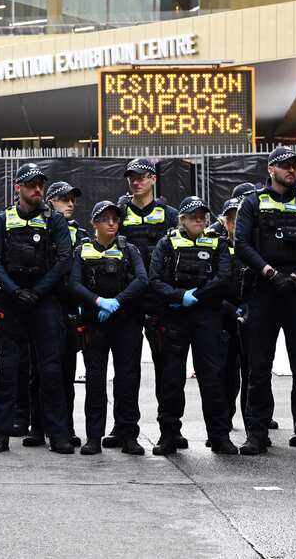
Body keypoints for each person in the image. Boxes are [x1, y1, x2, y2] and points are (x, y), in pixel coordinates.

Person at [234, 145, 296, 457]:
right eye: (286, 166)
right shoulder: (253, 202)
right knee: (258, 367)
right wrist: (270, 272)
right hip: (264, 291)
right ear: (271, 170)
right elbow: (241, 243)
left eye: (295, 166)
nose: (292, 171)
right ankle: (257, 433)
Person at [0, 162, 74, 454]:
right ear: (18, 188)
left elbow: (64, 259)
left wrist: (37, 291)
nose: (38, 190)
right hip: (12, 302)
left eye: (41, 185)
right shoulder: (2, 220)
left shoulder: (55, 221)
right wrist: (14, 291)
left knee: (51, 368)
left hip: (44, 300)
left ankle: (58, 434)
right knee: (8, 368)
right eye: (32, 184)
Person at [149, 196, 237, 455]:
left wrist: (195, 296)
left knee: (213, 377)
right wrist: (178, 297)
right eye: (193, 215)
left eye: (203, 215)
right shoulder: (167, 244)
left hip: (208, 317)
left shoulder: (217, 243)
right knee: (171, 379)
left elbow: (223, 278)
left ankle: (219, 436)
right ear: (182, 219)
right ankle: (169, 434)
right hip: (175, 317)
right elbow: (154, 280)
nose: (199, 219)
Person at [70, 200, 149, 456]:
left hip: (126, 322)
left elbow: (141, 280)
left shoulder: (129, 249)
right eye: (105, 219)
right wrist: (97, 302)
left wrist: (117, 302)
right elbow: (73, 283)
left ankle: (128, 435)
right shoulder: (82, 250)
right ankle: (94, 437)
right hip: (96, 323)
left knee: (128, 379)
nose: (112, 223)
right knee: (95, 380)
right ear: (94, 223)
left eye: (115, 219)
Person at [114, 157, 178, 449]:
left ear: (153, 179)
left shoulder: (170, 215)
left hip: (159, 302)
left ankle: (170, 430)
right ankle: (124, 430)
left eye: (141, 176)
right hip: (127, 302)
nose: (135, 181)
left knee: (168, 369)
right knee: (126, 370)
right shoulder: (117, 214)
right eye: (131, 177)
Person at [32, 180, 86, 448]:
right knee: (38, 370)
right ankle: (37, 426)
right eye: (64, 199)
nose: (70, 204)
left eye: (72, 199)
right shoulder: (44, 228)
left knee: (66, 370)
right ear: (50, 201)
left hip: (70, 308)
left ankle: (67, 425)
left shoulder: (83, 235)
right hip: (43, 303)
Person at [209, 196, 249, 432]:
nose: (236, 223)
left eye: (240, 218)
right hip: (222, 316)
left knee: (253, 372)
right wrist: (228, 308)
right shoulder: (215, 245)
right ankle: (222, 424)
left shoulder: (253, 245)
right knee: (224, 372)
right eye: (232, 219)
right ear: (225, 221)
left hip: (251, 315)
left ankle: (254, 428)